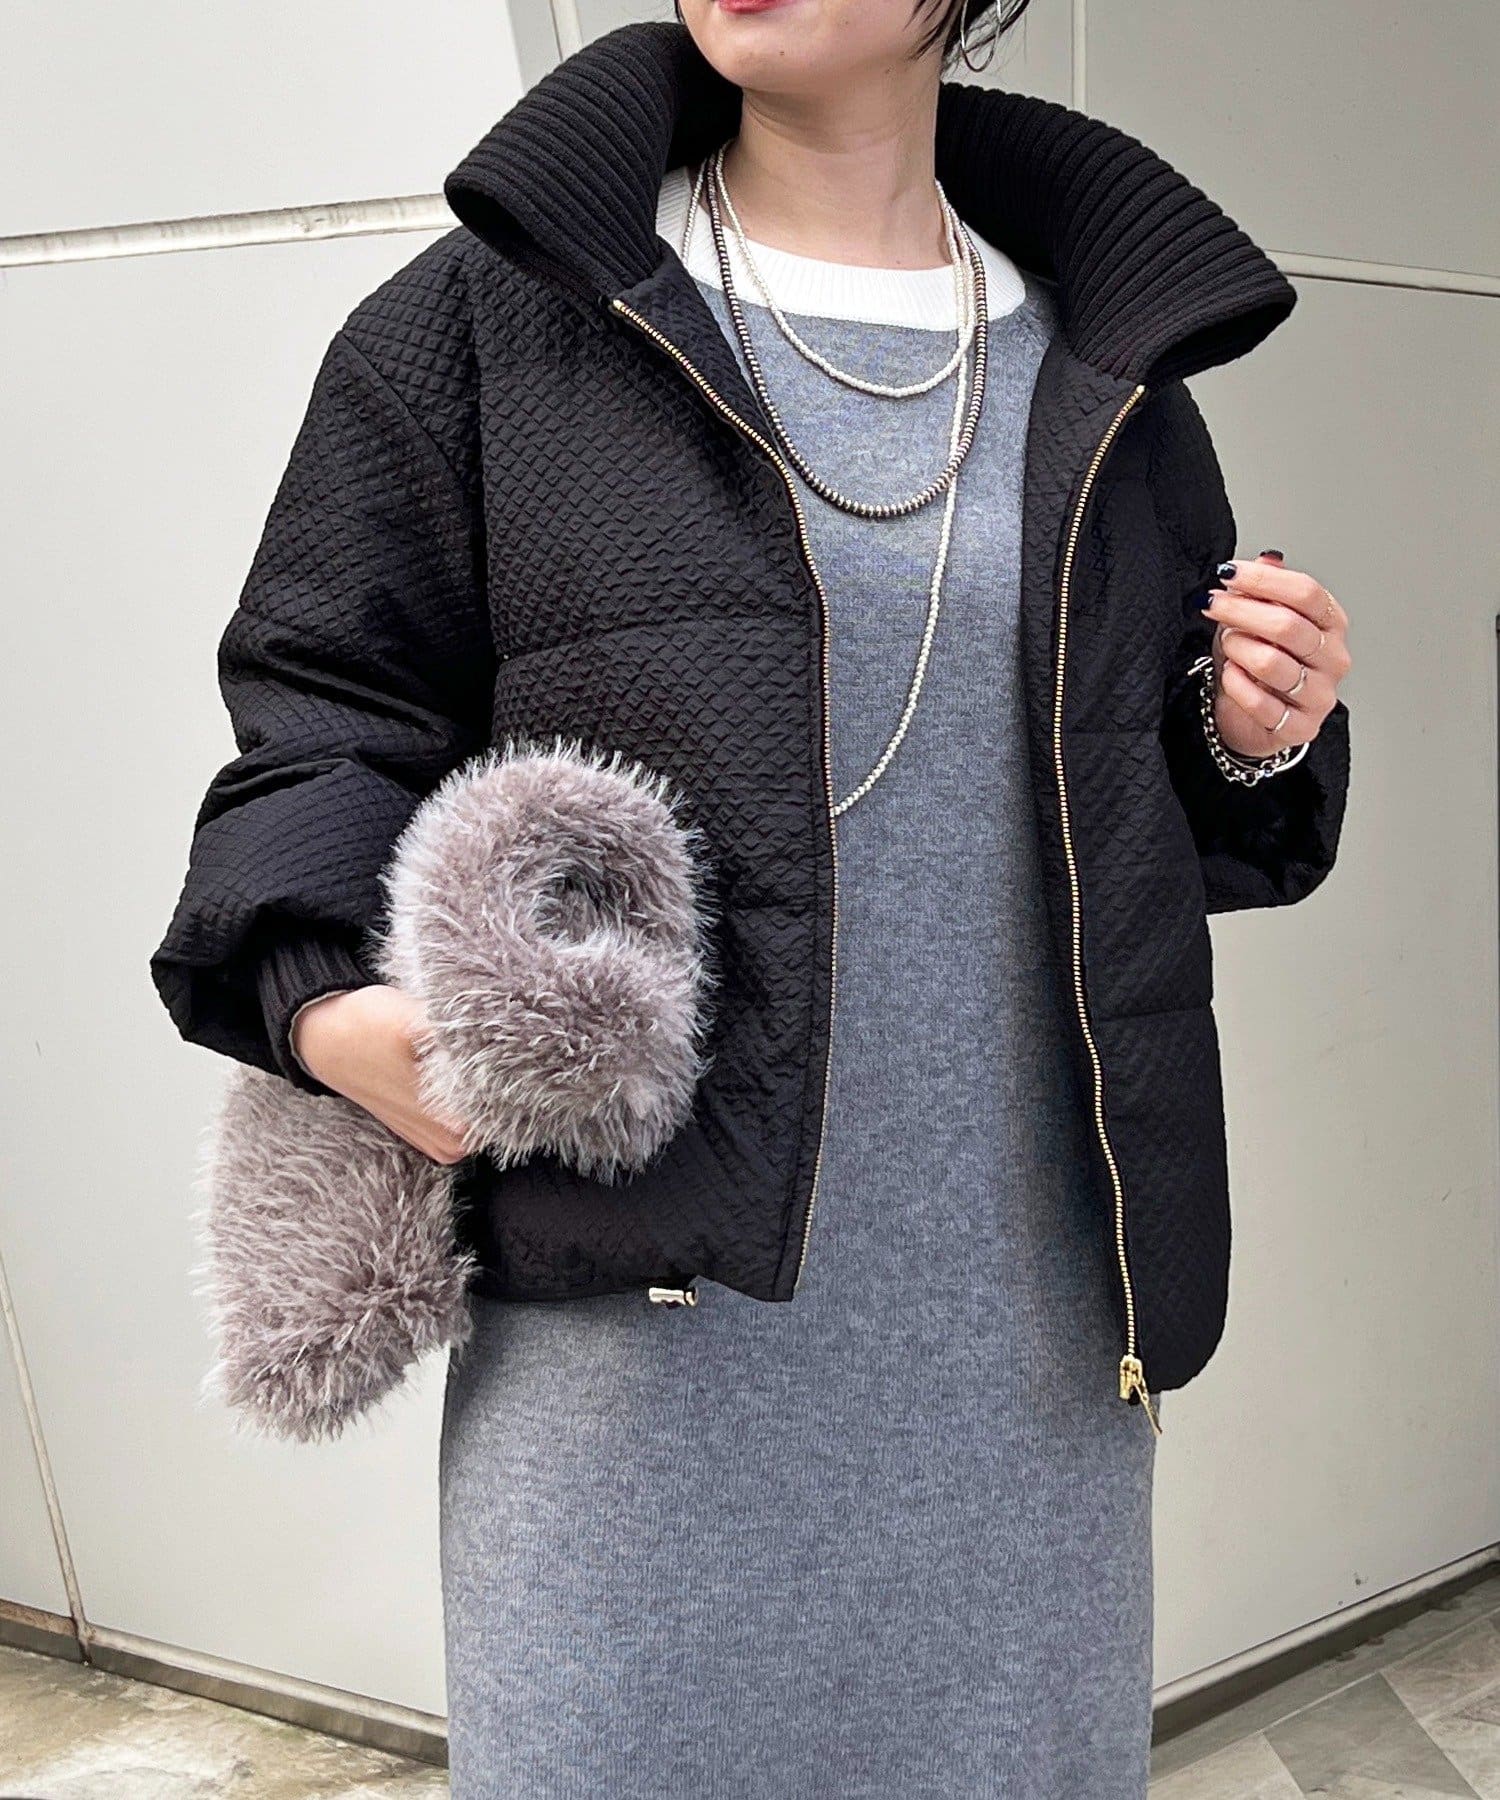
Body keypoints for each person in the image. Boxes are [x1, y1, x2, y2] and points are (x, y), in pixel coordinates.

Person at [150, 4, 1353, 1793]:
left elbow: (1142, 812)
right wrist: (332, 1009)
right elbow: (319, 724)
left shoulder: (1110, 358)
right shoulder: (485, 322)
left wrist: (1257, 731)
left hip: (1026, 1333)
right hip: (639, 1326)